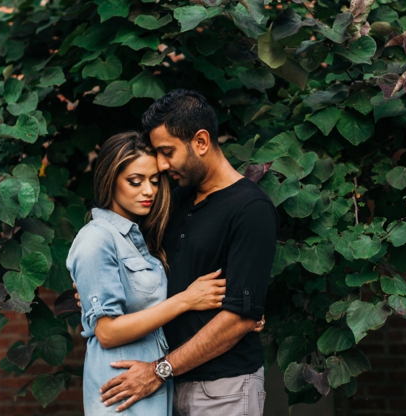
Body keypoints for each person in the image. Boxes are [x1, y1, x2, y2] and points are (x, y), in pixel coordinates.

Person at [100, 90, 279, 416]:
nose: (162, 164)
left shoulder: (250, 209)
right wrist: (95, 288)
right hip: (168, 386)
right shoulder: (175, 200)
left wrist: (158, 371)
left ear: (200, 141)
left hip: (224, 388)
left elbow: (239, 318)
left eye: (167, 152)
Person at [67, 131, 231, 416]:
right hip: (121, 386)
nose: (149, 191)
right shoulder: (96, 239)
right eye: (135, 181)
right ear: (110, 180)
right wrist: (186, 300)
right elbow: (106, 332)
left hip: (152, 382)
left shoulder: (142, 238)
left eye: (155, 181)